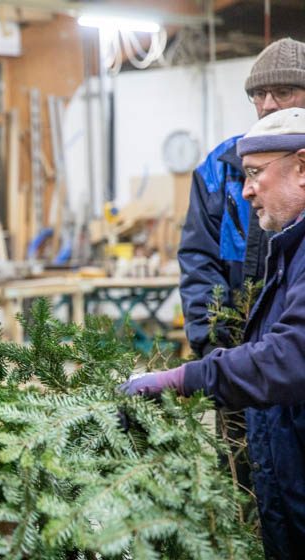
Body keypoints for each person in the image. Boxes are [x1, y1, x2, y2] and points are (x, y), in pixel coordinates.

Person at [124, 107, 305, 560]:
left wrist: (187, 378)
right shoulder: (290, 247)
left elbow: (288, 357)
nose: (245, 190)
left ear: (302, 168)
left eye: (255, 174)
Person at [179, 37, 305, 357]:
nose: (268, 105)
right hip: (237, 352)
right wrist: (213, 349)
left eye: (284, 92)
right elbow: (199, 263)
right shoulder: (220, 167)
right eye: (259, 94)